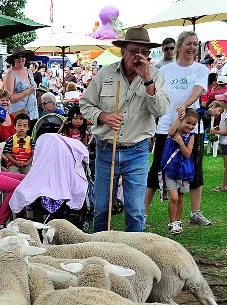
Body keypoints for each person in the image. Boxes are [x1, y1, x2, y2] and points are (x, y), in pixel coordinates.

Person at [80, 27, 169, 232]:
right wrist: (103, 116)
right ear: (123, 52)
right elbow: (85, 104)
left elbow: (161, 109)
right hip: (106, 149)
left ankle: (133, 257)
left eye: (144, 52)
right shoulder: (105, 73)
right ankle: (101, 253)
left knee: (135, 209)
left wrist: (148, 80)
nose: (139, 56)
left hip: (137, 150)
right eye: (134, 51)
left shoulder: (155, 76)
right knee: (102, 208)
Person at [144, 31, 210, 229]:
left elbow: (197, 90)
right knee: (157, 169)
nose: (192, 48)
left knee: (194, 169)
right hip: (167, 127)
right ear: (179, 47)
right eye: (188, 44)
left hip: (191, 128)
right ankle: (143, 214)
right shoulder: (164, 70)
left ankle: (195, 212)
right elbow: (155, 96)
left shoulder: (200, 69)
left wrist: (186, 107)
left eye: (195, 44)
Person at [159, 108, 199, 235]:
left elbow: (187, 154)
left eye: (193, 124)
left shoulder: (191, 137)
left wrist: (181, 143)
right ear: (182, 121)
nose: (190, 126)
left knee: (181, 198)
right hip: (171, 170)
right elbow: (170, 132)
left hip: (185, 171)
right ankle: (172, 222)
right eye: (188, 122)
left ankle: (178, 220)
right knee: (174, 198)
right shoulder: (174, 132)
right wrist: (178, 118)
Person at [207, 93, 227, 191]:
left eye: (221, 101)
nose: (219, 102)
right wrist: (219, 128)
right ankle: (226, 184)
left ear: (226, 103)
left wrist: (216, 132)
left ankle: (225, 186)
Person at [4, 47, 39, 121]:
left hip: (33, 115)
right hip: (19, 117)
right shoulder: (10, 74)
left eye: (23, 55)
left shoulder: (29, 72)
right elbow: (9, 98)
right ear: (13, 59)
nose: (20, 58)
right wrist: (27, 91)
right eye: (17, 56)